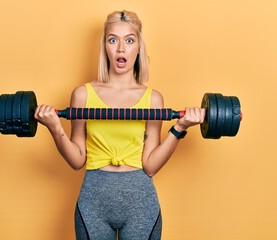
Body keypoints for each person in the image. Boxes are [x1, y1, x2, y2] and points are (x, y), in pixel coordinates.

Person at [34, 10, 205, 240]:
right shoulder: (83, 95)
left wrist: (179, 128)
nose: (121, 48)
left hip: (140, 204)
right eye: (113, 40)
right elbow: (77, 160)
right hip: (93, 202)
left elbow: (151, 165)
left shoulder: (153, 99)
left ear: (138, 47)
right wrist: (55, 128)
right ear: (105, 46)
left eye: (129, 40)